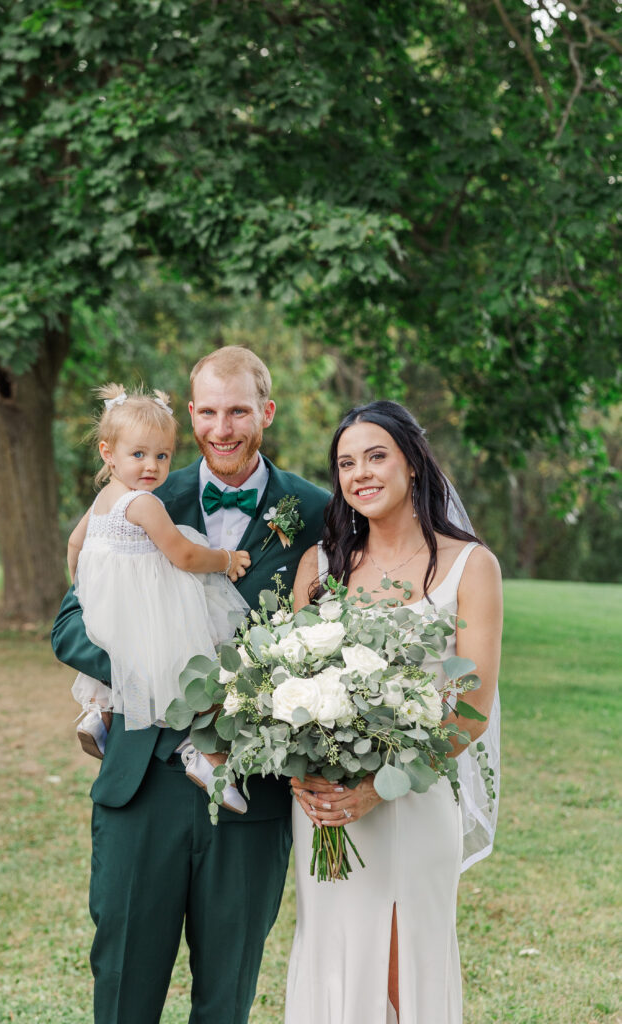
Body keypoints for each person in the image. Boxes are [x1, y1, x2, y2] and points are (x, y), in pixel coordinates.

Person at [51, 346, 329, 1024]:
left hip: (249, 794)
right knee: (122, 983)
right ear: (191, 414)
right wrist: (161, 670)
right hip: (140, 782)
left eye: (238, 411)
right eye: (207, 411)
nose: (222, 428)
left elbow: (339, 626)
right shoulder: (139, 488)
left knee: (226, 991)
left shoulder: (318, 509)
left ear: (264, 412)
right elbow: (70, 624)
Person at [288, 400, 503, 1024]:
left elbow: (471, 709)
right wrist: (304, 766)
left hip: (414, 799)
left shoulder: (470, 566)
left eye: (376, 456)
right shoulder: (319, 567)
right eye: (346, 463)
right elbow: (289, 687)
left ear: (411, 462)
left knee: (405, 964)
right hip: (327, 808)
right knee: (332, 955)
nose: (360, 473)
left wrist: (379, 791)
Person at [67, 381, 250, 814]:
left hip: (109, 615)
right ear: (107, 453)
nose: (152, 466)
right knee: (201, 669)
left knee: (124, 667)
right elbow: (184, 554)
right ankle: (207, 757)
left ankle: (98, 712)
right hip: (154, 613)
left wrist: (85, 591)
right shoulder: (144, 504)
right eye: (139, 454)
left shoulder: (100, 502)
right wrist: (224, 559)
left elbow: (75, 545)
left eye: (162, 456)